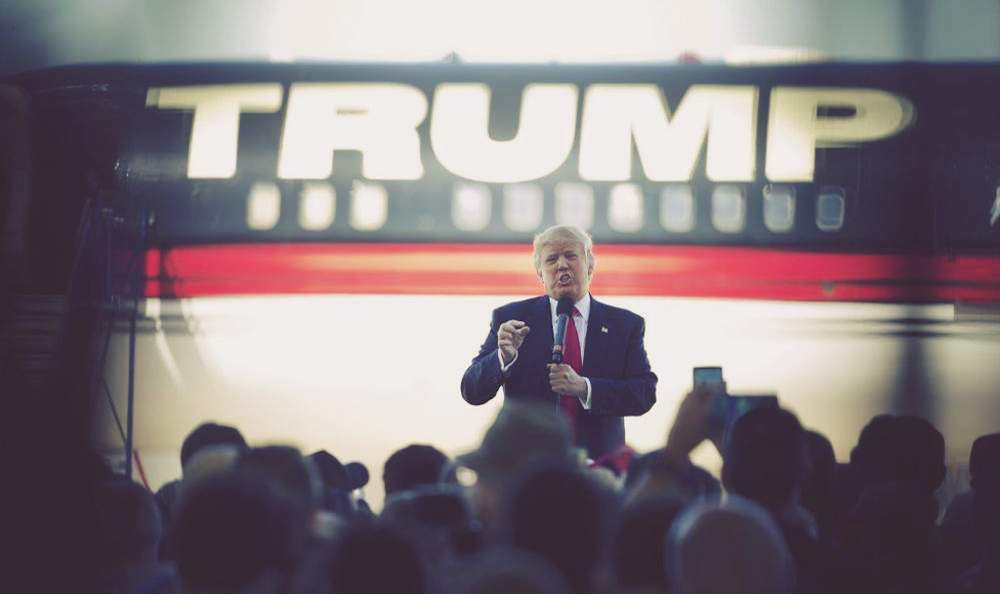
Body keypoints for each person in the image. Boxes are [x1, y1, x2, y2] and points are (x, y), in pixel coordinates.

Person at [460, 224, 657, 459]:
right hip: (529, 469)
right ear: (540, 273)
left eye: (571, 256)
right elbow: (471, 391)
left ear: (590, 264)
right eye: (551, 259)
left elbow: (644, 393)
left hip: (598, 470)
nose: (562, 265)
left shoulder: (625, 325)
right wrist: (503, 358)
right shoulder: (511, 320)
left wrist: (586, 388)